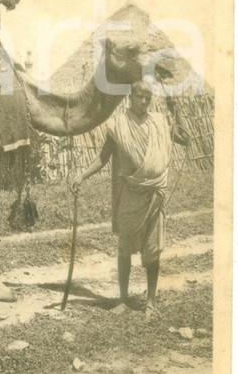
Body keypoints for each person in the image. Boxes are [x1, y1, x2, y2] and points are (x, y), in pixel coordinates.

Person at [70, 79, 190, 318]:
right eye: (139, 97)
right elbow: (103, 157)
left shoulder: (160, 122)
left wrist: (175, 108)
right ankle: (123, 299)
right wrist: (81, 175)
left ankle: (150, 302)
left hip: (154, 197)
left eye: (147, 97)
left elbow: (185, 138)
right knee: (124, 249)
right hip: (130, 195)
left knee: (153, 251)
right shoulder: (119, 125)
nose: (143, 101)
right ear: (130, 98)